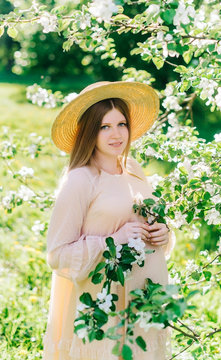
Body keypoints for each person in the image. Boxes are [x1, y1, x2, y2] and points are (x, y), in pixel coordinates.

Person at [43, 81, 175, 360]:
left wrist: (164, 233)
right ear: (90, 131)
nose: (117, 134)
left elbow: (144, 221)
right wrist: (114, 241)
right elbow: (57, 255)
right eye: (105, 126)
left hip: (143, 303)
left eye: (122, 124)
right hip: (105, 310)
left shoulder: (134, 170)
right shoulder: (81, 180)